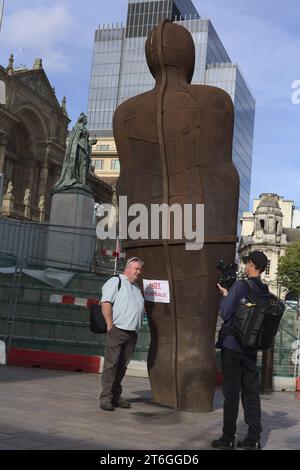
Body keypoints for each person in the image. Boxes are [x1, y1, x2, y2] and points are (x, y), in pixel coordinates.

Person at [211, 250, 269, 450]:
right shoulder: (264, 289)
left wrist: (225, 295)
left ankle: (227, 437)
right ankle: (254, 438)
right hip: (251, 349)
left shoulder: (241, 286)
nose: (245, 265)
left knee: (232, 394)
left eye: (247, 262)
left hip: (233, 346)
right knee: (251, 394)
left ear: (252, 264)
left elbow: (226, 312)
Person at [99, 257, 145, 411]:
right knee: (111, 365)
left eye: (139, 269)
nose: (138, 271)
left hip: (132, 333)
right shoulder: (116, 281)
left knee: (122, 366)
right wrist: (110, 325)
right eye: (136, 268)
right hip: (118, 330)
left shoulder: (136, 288)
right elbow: (105, 302)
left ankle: (116, 396)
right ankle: (106, 398)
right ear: (127, 268)